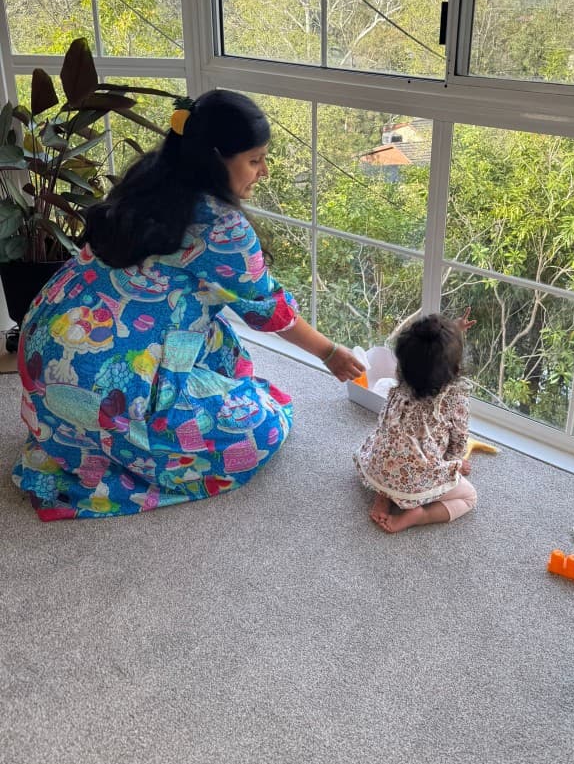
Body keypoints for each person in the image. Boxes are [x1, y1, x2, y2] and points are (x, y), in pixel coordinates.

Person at [12, 89, 363, 521]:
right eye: (254, 160)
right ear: (217, 159)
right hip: (101, 387)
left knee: (218, 338)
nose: (263, 171)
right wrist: (329, 353)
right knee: (260, 429)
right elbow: (269, 310)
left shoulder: (148, 177)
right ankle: (111, 447)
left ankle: (81, 429)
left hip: (42, 347)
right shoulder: (223, 227)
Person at [352, 310, 476, 534]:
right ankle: (419, 514)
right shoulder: (454, 399)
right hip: (415, 482)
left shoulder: (400, 381)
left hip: (376, 467)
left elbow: (425, 356)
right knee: (469, 497)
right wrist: (454, 466)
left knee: (394, 447)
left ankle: (384, 494)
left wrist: (454, 330)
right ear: (455, 370)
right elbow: (458, 443)